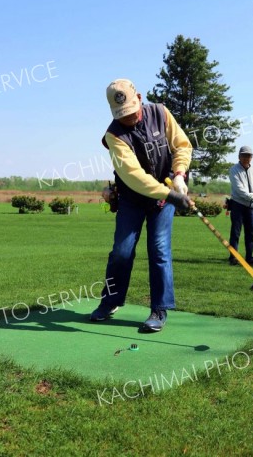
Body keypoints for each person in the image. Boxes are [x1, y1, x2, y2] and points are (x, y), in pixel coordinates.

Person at [90, 78, 194, 331]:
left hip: (163, 197)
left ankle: (159, 309)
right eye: (122, 115)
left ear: (139, 99)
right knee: (121, 252)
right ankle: (111, 301)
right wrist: (171, 195)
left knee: (159, 250)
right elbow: (134, 176)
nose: (129, 118)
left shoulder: (160, 112)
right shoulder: (113, 135)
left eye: (132, 112)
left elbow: (181, 145)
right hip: (132, 198)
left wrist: (179, 174)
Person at [228, 146, 253, 266]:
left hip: (250, 206)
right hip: (237, 204)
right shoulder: (234, 170)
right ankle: (233, 257)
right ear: (239, 156)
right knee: (236, 232)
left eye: (248, 156)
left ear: (251, 157)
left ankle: (249, 257)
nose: (246, 158)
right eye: (244, 155)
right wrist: (252, 197)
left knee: (250, 233)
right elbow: (239, 189)